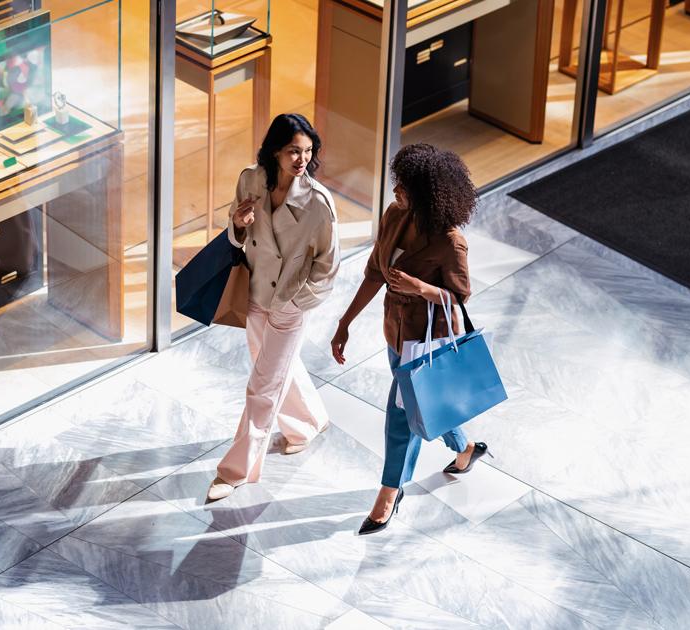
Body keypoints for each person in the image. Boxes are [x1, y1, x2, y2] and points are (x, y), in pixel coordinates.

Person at [329, 143, 491, 534]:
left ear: (428, 191)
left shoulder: (450, 242)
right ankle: (465, 449)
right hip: (394, 332)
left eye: (404, 185)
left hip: (426, 342)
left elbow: (458, 298)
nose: (396, 190)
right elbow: (373, 272)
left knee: (400, 415)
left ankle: (389, 491)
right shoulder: (396, 214)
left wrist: (421, 288)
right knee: (425, 402)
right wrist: (345, 322)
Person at [206, 113, 341, 503]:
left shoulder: (318, 203)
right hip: (254, 294)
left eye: (307, 151)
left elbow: (328, 266)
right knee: (276, 369)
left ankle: (234, 471)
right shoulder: (251, 179)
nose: (302, 160)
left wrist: (296, 303)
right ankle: (307, 424)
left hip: (287, 303)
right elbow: (237, 232)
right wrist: (238, 223)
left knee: (262, 388)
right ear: (275, 152)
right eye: (293, 151)